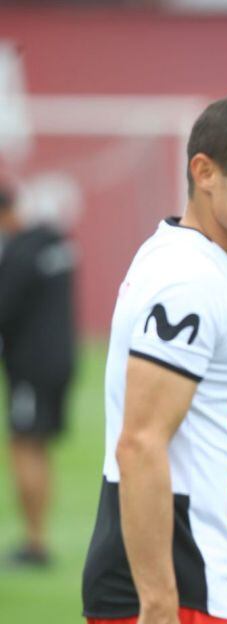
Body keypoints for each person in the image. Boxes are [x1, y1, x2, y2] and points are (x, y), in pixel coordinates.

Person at [81, 95, 227, 624]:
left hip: (206, 577)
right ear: (204, 172)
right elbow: (139, 444)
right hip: (174, 590)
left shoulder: (225, 262)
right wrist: (157, 603)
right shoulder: (188, 281)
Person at [0, 177, 76, 568]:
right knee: (38, 445)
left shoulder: (19, 253)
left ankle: (35, 541)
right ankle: (37, 535)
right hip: (62, 358)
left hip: (30, 365)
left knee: (25, 445)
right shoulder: (54, 241)